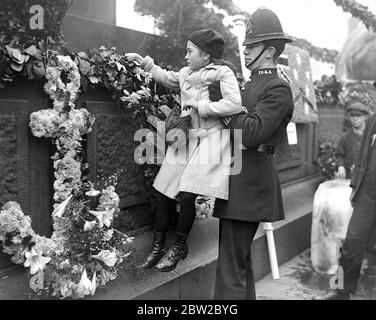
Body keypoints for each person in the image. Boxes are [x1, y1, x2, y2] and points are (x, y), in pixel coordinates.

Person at [126, 29, 242, 272]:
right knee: (163, 189)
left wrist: (200, 106)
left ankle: (179, 246)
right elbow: (166, 77)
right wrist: (143, 61)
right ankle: (158, 247)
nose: (186, 56)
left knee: (188, 192)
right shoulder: (185, 73)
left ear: (207, 56)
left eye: (190, 51)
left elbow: (234, 104)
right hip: (187, 136)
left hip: (211, 138)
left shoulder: (222, 72)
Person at [212, 7, 294, 300]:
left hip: (251, 182)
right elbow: (242, 122)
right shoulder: (250, 84)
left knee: (230, 271)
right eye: (245, 45)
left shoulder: (278, 88)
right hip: (240, 179)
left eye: (252, 46)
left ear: (270, 51)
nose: (245, 51)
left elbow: (250, 133)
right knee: (239, 264)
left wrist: (228, 107)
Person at [313, 110, 376, 300]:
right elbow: (362, 156)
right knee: (351, 244)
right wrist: (355, 186)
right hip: (367, 193)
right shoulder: (373, 119)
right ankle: (341, 292)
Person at [335, 101, 370, 179]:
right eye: (352, 116)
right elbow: (339, 155)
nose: (355, 118)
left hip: (367, 178)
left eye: (358, 116)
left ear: (364, 117)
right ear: (349, 117)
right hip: (349, 177)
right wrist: (341, 166)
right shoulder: (345, 137)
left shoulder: (371, 136)